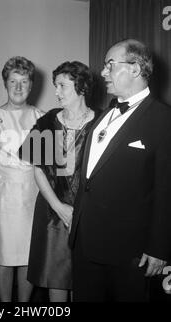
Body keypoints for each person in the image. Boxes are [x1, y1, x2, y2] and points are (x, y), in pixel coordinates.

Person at [70, 39, 171, 302]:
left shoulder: (164, 120)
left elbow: (166, 190)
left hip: (129, 252)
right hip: (85, 244)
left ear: (136, 69)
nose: (103, 72)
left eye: (110, 66)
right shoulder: (105, 115)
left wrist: (159, 247)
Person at [19, 61, 97, 301]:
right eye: (55, 85)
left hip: (89, 215)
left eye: (62, 85)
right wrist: (59, 208)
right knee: (57, 278)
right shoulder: (47, 122)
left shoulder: (103, 122)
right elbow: (38, 170)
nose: (56, 92)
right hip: (52, 213)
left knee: (87, 278)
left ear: (81, 87)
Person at [0, 56, 43, 302]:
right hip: (1, 199)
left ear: (31, 85)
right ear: (5, 84)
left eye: (24, 81)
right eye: (13, 81)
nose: (18, 87)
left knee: (29, 256)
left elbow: (46, 165)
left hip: (33, 198)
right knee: (3, 257)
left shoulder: (43, 117)